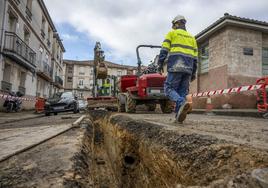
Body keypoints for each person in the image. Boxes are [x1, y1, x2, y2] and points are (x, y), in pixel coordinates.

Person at [158, 15, 198, 123]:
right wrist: (193, 73)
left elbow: (164, 50)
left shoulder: (172, 33)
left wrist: (160, 64)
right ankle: (178, 117)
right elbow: (195, 59)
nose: (173, 27)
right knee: (181, 92)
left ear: (176, 23)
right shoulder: (192, 38)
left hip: (176, 66)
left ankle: (181, 102)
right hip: (188, 69)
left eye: (173, 25)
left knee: (168, 89)